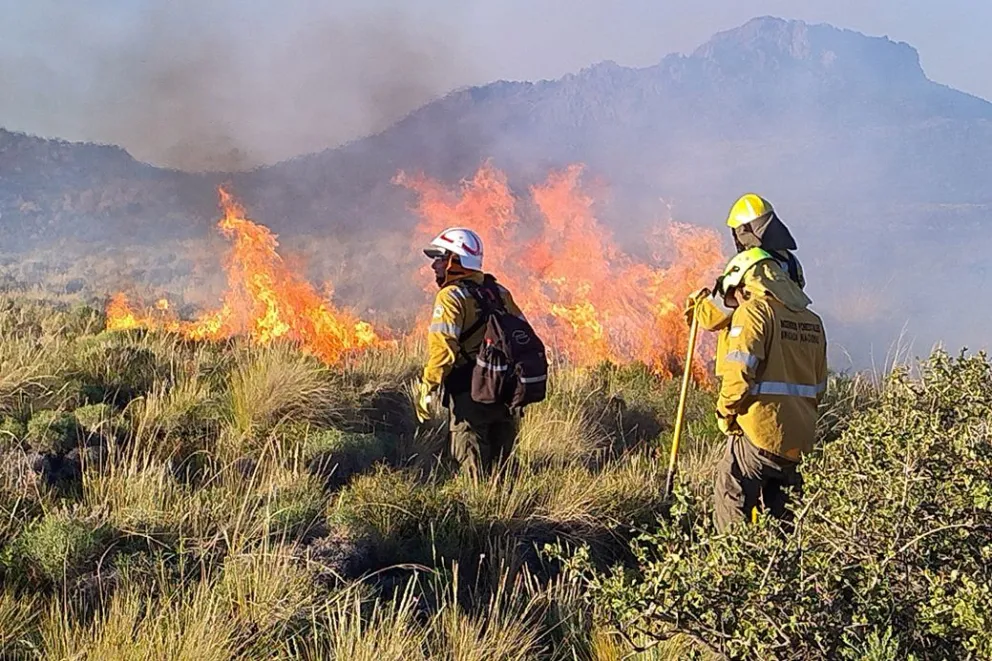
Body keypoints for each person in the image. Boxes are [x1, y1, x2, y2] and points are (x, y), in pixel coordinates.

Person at [708, 248, 828, 531]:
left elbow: (739, 374)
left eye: (735, 295)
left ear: (745, 285)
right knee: (784, 523)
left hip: (759, 432)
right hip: (799, 440)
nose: (736, 302)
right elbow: (820, 386)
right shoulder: (813, 322)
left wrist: (725, 413)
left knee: (731, 499)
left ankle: (732, 557)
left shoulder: (754, 311)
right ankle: (780, 558)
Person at [414, 227, 526, 479]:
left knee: (471, 460)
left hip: (470, 392)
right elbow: (522, 334)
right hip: (505, 391)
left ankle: (480, 504)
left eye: (440, 258)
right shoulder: (499, 293)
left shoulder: (451, 296)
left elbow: (444, 349)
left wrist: (429, 386)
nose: (434, 266)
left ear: (456, 260)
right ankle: (509, 502)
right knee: (502, 466)